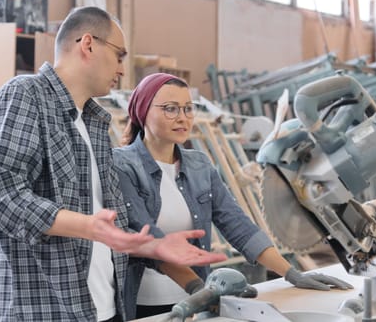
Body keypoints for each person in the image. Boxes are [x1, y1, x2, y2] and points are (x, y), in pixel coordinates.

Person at [0, 6, 226, 322]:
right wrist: (88, 226)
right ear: (88, 44)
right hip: (38, 310)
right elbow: (6, 197)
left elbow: (115, 227)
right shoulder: (24, 96)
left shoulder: (94, 124)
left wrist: (153, 247)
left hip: (99, 309)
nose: (122, 69)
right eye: (119, 55)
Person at [113, 73, 354, 320]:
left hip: (195, 300)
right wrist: (200, 289)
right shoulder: (122, 166)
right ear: (143, 111)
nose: (182, 118)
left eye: (188, 109)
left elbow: (237, 225)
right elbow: (150, 241)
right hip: (143, 303)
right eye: (170, 109)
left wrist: (292, 274)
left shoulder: (199, 165)